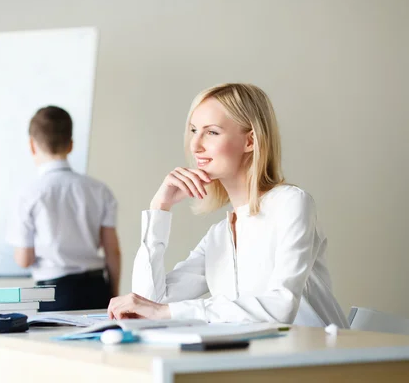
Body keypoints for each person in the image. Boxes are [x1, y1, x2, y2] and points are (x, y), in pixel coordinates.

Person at [108, 83, 349, 328]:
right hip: (255, 359)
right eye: (193, 130)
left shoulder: (291, 203)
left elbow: (281, 307)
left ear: (250, 141)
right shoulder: (219, 236)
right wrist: (159, 208)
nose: (195, 145)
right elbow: (148, 302)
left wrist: (166, 311)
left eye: (211, 132)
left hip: (319, 359)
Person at [7, 105, 121, 312]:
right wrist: (113, 294)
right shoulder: (100, 190)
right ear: (71, 145)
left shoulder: (28, 194)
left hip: (52, 294)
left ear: (32, 145)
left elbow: (24, 260)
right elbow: (112, 250)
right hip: (96, 288)